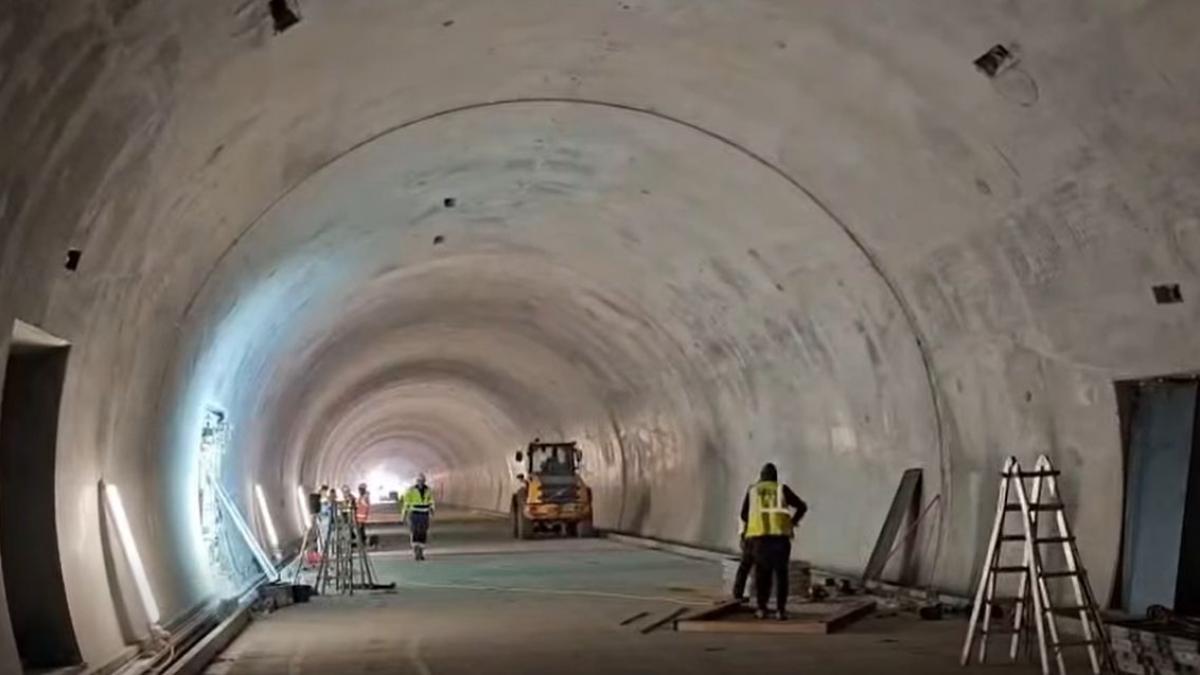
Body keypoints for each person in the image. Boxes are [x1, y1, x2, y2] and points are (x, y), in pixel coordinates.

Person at [740, 462, 807, 620]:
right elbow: (802, 506)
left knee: (762, 575)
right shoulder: (781, 489)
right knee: (781, 575)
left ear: (761, 476)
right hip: (780, 540)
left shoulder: (753, 491)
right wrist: (792, 522)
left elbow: (743, 515)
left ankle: (762, 609)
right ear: (775, 477)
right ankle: (780, 610)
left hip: (759, 539)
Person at [401, 474, 436, 561]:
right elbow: (406, 503)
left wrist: (432, 509)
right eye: (419, 481)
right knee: (415, 532)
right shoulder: (411, 490)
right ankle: (416, 551)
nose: (421, 482)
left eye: (422, 480)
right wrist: (404, 514)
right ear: (417, 481)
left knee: (423, 532)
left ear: (424, 481)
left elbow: (431, 500)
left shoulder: (428, 490)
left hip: (424, 514)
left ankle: (421, 551)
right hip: (414, 514)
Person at [355, 483, 371, 548]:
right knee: (361, 530)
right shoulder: (362, 496)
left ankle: (363, 542)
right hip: (359, 515)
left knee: (361, 529)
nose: (359, 491)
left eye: (360, 490)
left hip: (362, 516)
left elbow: (365, 505)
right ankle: (362, 541)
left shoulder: (364, 497)